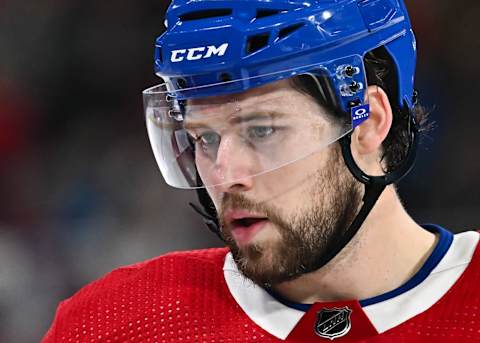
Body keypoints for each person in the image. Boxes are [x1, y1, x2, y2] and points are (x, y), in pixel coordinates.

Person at [43, 0, 480, 342]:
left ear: (367, 124)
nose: (224, 172)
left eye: (262, 129)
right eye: (205, 139)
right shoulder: (112, 322)